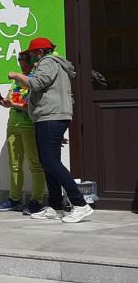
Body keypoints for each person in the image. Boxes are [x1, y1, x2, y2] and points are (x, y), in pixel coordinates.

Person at [8, 37, 93, 223]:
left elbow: (36, 84)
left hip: (50, 116)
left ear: (39, 52)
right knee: (48, 162)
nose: (28, 57)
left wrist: (16, 75)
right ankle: (55, 206)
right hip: (50, 117)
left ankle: (80, 204)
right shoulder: (56, 64)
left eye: (30, 53)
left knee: (51, 162)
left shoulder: (47, 62)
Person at [0, 52, 46, 215]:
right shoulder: (17, 81)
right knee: (14, 165)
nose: (22, 65)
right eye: (20, 62)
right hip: (13, 125)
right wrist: (2, 101)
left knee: (35, 164)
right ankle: (14, 199)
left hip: (29, 125)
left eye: (24, 62)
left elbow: (32, 106)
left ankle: (37, 201)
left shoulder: (35, 80)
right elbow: (12, 101)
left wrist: (12, 104)